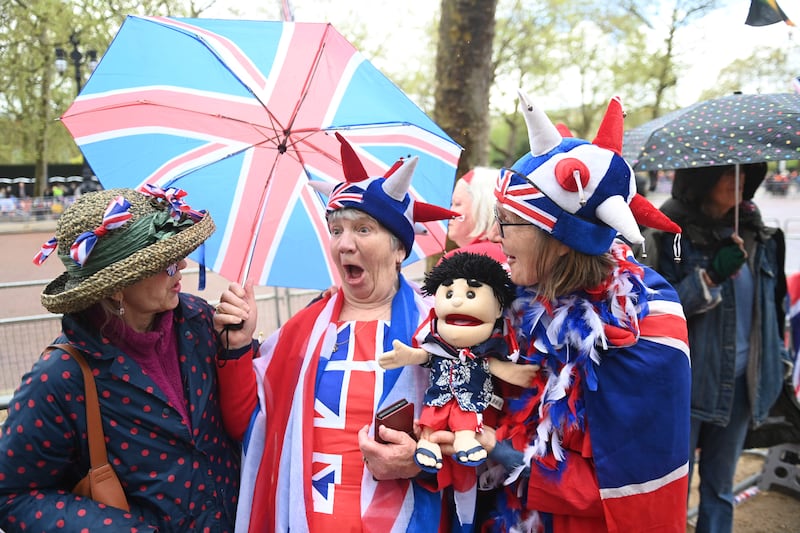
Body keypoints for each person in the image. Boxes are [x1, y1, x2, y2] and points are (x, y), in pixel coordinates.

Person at [213, 132, 476, 531]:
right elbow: (246, 424)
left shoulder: (440, 332)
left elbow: (478, 443)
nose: (344, 244)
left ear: (399, 248)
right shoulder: (302, 330)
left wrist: (422, 463)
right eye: (337, 230)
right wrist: (235, 348)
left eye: (363, 229)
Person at [475, 90, 692, 532]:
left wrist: (501, 453)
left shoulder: (646, 326)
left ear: (558, 238)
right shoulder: (515, 299)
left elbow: (626, 492)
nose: (496, 235)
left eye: (508, 222)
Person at [0, 187, 240, 532]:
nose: (183, 266)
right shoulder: (61, 378)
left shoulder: (201, 323)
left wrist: (239, 348)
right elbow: (12, 495)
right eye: (166, 261)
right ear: (116, 287)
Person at [642, 163, 787, 533]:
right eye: (728, 175)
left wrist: (778, 362)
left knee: (720, 490)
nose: (739, 182)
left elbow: (772, 310)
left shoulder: (758, 236)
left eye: (744, 175)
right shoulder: (667, 237)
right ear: (702, 180)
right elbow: (653, 313)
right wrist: (709, 277)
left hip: (741, 386)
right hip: (683, 388)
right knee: (672, 490)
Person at [379, 252, 535, 471]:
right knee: (432, 418)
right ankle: (428, 444)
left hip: (470, 399)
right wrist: (408, 356)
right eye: (449, 293)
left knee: (466, 418)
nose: (458, 301)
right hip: (438, 396)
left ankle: (465, 440)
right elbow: (425, 355)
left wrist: (517, 374)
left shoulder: (484, 354)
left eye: (471, 294)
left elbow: (498, 367)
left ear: (499, 309)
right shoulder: (437, 345)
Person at [445, 167, 506, 264]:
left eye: (457, 203)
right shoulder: (517, 257)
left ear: (483, 207)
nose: (449, 211)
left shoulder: (455, 262)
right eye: (451, 204)